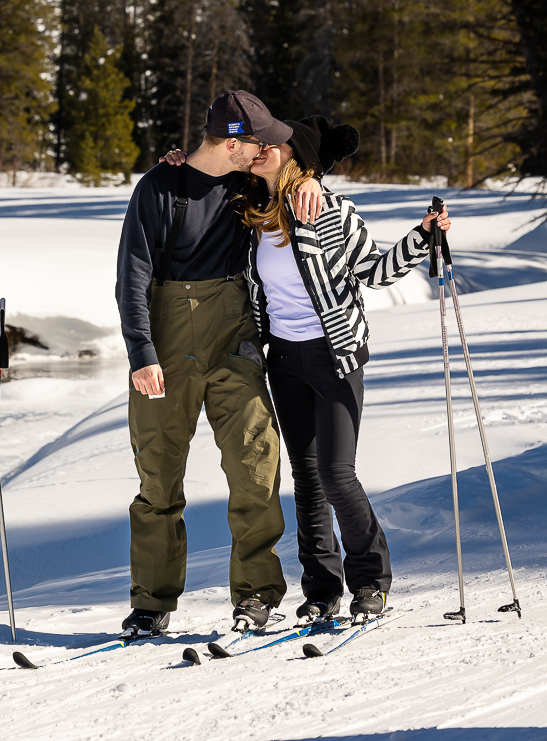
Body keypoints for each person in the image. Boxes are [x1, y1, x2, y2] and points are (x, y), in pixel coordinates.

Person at [115, 90, 323, 635]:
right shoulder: (159, 187)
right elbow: (132, 277)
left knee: (255, 464)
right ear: (232, 143)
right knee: (159, 478)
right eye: (255, 143)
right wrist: (142, 354)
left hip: (233, 338)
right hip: (165, 344)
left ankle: (256, 594)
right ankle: (152, 602)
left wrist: (311, 178)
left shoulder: (249, 183)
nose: (264, 152)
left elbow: (313, 141)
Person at [241, 115, 451, 620]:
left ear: (298, 157)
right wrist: (176, 161)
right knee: (307, 480)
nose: (260, 148)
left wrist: (421, 237)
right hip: (284, 359)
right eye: (257, 143)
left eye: (273, 143)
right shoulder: (250, 210)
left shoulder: (333, 210)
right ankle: (320, 590)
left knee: (337, 476)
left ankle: (371, 580)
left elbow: (374, 272)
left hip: (334, 355)